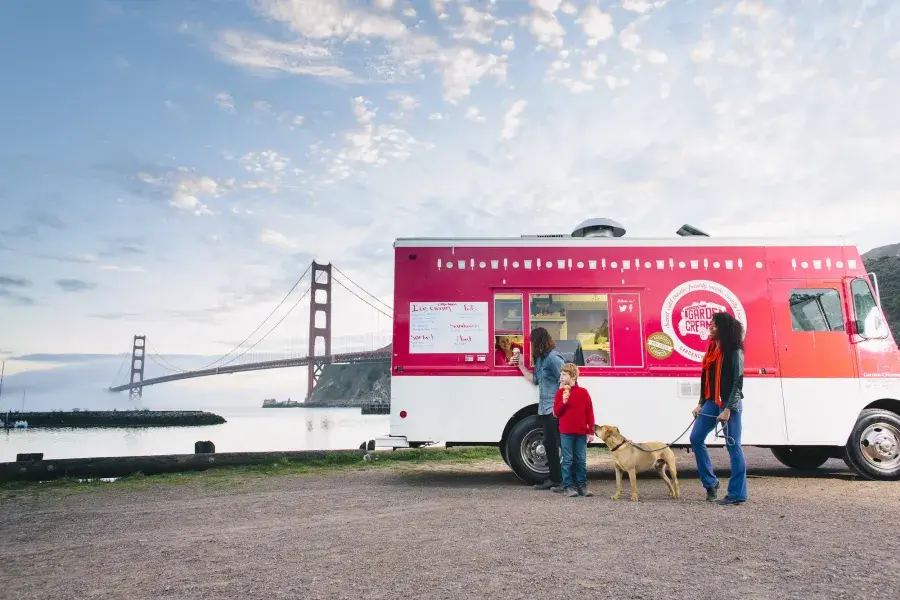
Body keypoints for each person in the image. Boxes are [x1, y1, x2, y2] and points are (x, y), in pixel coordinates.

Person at [689, 311, 747, 505]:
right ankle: (710, 483)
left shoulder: (735, 350)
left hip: (729, 403)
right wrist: (700, 403)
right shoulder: (712, 350)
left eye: (713, 325)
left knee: (733, 446)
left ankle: (737, 493)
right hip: (712, 401)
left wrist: (729, 408)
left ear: (722, 328)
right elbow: (706, 379)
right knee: (695, 438)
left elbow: (738, 382)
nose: (710, 328)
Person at [512, 327, 565, 491]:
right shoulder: (542, 359)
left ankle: (564, 481)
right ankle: (555, 479)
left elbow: (565, 379)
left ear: (539, 341)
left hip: (553, 409)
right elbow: (534, 379)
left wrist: (560, 404)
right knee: (550, 444)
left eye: (532, 342)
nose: (531, 346)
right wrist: (520, 365)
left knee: (560, 444)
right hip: (544, 408)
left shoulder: (554, 358)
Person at [553, 362, 595, 497]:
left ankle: (582, 485)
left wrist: (591, 431)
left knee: (581, 459)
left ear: (572, 376)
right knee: (567, 459)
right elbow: (556, 413)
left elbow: (589, 412)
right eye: (561, 374)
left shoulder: (583, 392)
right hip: (566, 432)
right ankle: (568, 485)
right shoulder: (560, 393)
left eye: (563, 374)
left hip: (581, 432)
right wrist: (563, 402)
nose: (561, 376)